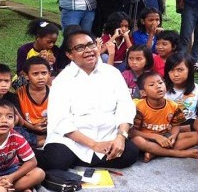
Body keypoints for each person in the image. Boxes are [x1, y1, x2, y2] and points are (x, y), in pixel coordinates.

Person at [35, 30, 139, 170]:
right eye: (80, 48)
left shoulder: (112, 73)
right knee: (58, 160)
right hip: (73, 141)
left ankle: (85, 161)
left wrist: (121, 137)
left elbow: (125, 106)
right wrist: (94, 145)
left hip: (107, 135)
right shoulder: (62, 81)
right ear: (69, 55)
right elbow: (61, 121)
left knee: (131, 153)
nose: (88, 51)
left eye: (91, 45)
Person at [130, 71, 198, 163]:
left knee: (197, 136)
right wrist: (155, 137)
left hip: (165, 136)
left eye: (160, 83)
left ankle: (155, 153)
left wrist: (173, 136)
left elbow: (176, 125)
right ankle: (178, 153)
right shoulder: (139, 107)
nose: (158, 86)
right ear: (143, 93)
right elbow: (132, 132)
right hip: (146, 138)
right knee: (137, 141)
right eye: (152, 85)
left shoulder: (173, 106)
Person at [164, 52, 198, 132]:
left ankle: (176, 134)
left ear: (189, 70)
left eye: (180, 70)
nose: (175, 74)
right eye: (171, 70)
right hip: (167, 124)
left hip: (189, 126)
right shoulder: (163, 90)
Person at [17, 57, 51, 148]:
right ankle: (42, 141)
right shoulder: (19, 94)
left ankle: (36, 143)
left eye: (44, 73)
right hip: (29, 130)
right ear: (27, 76)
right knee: (14, 130)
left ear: (49, 74)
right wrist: (32, 127)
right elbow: (19, 119)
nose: (40, 77)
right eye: (35, 74)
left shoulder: (55, 92)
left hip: (52, 128)